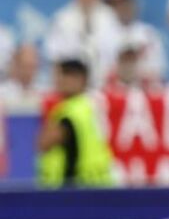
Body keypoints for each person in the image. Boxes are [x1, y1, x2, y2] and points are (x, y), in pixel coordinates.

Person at [37, 58, 113, 187]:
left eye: (61, 75)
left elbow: (44, 143)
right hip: (98, 183)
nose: (57, 82)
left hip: (75, 189)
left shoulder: (70, 111)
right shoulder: (92, 105)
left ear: (78, 78)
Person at [43, 0, 122, 85]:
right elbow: (53, 52)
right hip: (72, 79)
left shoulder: (108, 17)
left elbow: (116, 49)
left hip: (102, 78)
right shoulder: (63, 18)